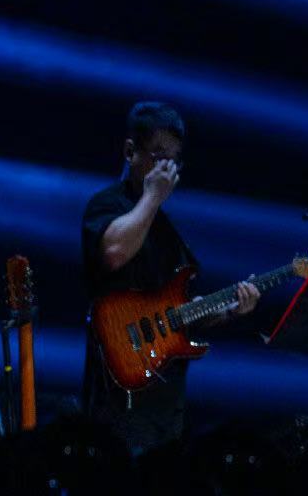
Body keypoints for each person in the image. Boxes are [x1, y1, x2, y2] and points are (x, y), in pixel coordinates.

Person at [80, 101, 259, 455]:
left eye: (173, 160)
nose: (167, 169)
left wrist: (228, 310)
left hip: (165, 398)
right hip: (118, 393)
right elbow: (113, 253)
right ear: (130, 152)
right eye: (159, 156)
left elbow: (178, 315)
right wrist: (152, 197)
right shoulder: (107, 205)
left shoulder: (167, 233)